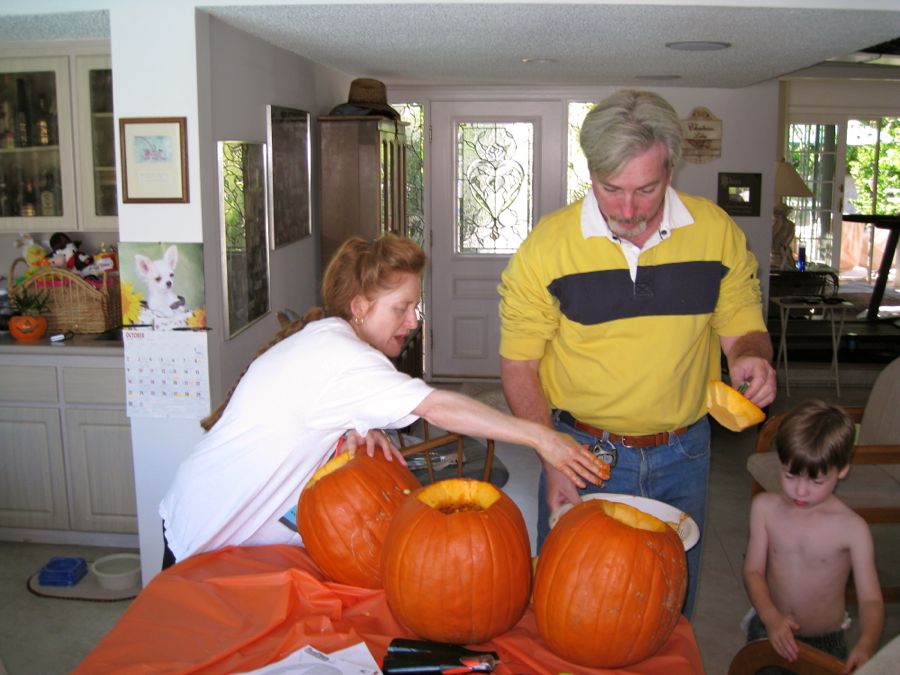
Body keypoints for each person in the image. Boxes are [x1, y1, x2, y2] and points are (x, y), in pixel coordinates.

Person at [497, 89, 776, 617]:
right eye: (611, 189)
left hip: (684, 453)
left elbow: (742, 323)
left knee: (667, 609)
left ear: (671, 167)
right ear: (591, 173)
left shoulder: (715, 231)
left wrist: (750, 358)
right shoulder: (547, 248)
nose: (628, 210)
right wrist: (550, 455)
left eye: (646, 189)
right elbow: (519, 366)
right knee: (571, 607)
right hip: (580, 453)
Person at [160, 234, 607, 564]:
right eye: (401, 307)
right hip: (202, 533)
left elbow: (320, 405)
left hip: (221, 528)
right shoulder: (342, 356)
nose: (413, 320)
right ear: (359, 306)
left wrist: (361, 424)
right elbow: (437, 406)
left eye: (416, 306)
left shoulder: (327, 339)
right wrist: (540, 438)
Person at [742, 399, 884, 672]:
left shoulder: (853, 529)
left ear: (842, 470)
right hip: (768, 627)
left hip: (825, 643)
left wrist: (866, 643)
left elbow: (871, 600)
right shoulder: (765, 508)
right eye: (790, 475)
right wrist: (771, 617)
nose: (800, 491)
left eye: (816, 481)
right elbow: (753, 572)